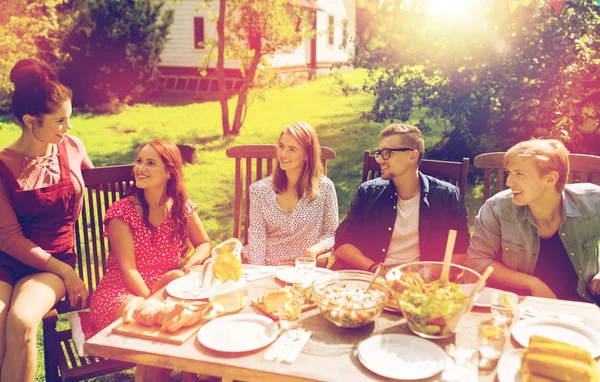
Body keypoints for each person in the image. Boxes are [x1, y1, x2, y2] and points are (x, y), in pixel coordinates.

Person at [0, 59, 91, 380]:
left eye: (69, 118)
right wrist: (66, 272)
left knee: (22, 321)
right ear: (30, 121)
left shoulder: (72, 148)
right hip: (8, 261)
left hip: (55, 260)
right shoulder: (3, 165)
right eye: (60, 121)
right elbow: (8, 239)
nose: (69, 128)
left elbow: (96, 185)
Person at [87, 139, 211, 337]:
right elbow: (129, 270)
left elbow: (204, 243)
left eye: (150, 163)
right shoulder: (122, 212)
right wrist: (150, 304)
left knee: (181, 282)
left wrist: (191, 263)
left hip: (164, 289)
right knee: (158, 322)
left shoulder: (180, 207)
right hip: (121, 293)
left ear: (170, 172)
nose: (140, 168)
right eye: (139, 161)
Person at [466, 139, 600, 304]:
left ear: (550, 179)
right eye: (509, 173)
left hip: (582, 306)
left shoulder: (594, 202)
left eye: (519, 174)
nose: (508, 182)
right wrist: (532, 284)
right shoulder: (497, 208)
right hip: (520, 305)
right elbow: (478, 261)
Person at [334, 124, 470, 273]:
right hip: (374, 281)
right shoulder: (369, 193)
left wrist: (425, 275)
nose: (379, 160)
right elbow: (342, 244)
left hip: (423, 287)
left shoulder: (447, 196)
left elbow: (462, 252)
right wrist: (376, 269)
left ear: (412, 155)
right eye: (379, 153)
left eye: (387, 153)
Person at [242, 121, 339, 266]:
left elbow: (332, 233)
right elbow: (257, 236)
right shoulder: (259, 190)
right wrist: (258, 273)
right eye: (281, 146)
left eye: (292, 149)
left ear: (307, 155)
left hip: (303, 269)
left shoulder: (325, 188)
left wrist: (315, 250)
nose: (283, 154)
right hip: (267, 267)